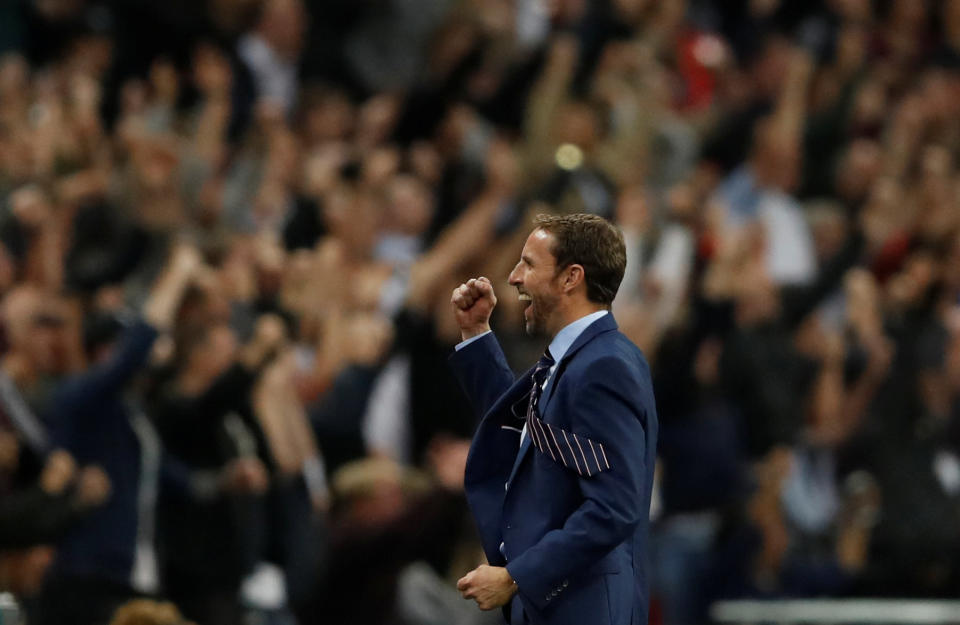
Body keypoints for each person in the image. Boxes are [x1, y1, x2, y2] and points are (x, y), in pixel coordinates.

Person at [449, 213, 658, 625]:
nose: (513, 277)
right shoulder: (577, 360)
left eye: (528, 263)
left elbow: (614, 508)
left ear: (570, 278)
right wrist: (476, 336)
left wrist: (515, 577)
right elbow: (527, 433)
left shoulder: (604, 366)